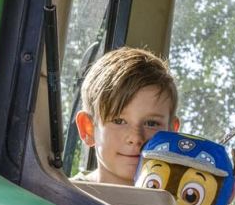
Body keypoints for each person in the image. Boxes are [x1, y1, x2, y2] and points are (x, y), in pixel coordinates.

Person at [73, 47, 179, 185]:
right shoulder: (60, 200)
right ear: (88, 128)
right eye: (119, 121)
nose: (135, 138)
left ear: (172, 133)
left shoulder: (182, 203)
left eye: (151, 124)